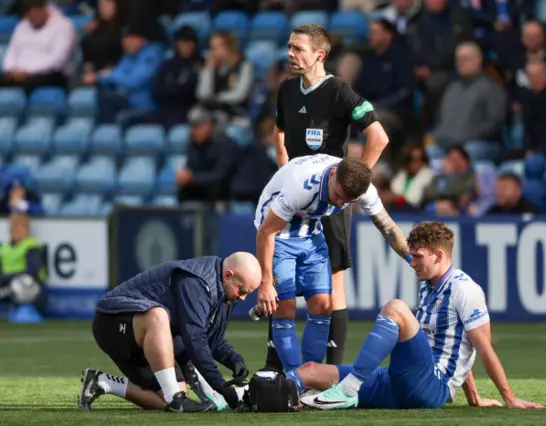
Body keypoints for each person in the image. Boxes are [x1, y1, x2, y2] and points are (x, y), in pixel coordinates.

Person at [293, 221, 544, 411]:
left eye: (418, 256)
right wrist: (474, 399)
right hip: (401, 381)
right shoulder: (429, 286)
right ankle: (260, 393)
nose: (412, 262)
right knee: (310, 371)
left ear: (439, 256)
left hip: (431, 387)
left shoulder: (465, 289)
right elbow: (454, 346)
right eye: (411, 256)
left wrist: (509, 399)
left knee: (396, 308)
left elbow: (482, 347)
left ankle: (348, 389)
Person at [267, 23, 390, 372]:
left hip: (330, 200)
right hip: (292, 200)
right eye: (289, 46)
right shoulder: (288, 90)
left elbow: (377, 138)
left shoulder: (338, 91)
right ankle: (278, 366)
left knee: (334, 282)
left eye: (298, 49)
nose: (291, 53)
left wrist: (353, 186)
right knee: (282, 281)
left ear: (320, 54)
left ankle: (331, 372)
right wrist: (283, 172)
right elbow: (278, 131)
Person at [254, 154, 411, 376]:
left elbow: (388, 227)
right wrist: (266, 282)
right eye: (338, 196)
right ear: (333, 173)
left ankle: (311, 377)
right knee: (285, 307)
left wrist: (411, 259)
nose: (340, 203)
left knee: (323, 305)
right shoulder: (302, 185)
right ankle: (293, 378)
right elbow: (266, 231)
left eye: (348, 201)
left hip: (311, 231)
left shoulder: (361, 186)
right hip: (278, 234)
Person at [78, 252, 261, 412]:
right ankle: (176, 393)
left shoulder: (224, 292)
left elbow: (212, 339)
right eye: (242, 290)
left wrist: (234, 360)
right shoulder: (196, 282)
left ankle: (102, 382)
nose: (243, 297)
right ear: (228, 275)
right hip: (110, 321)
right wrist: (221, 386)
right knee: (158, 315)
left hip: (148, 338)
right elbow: (195, 338)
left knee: (169, 398)